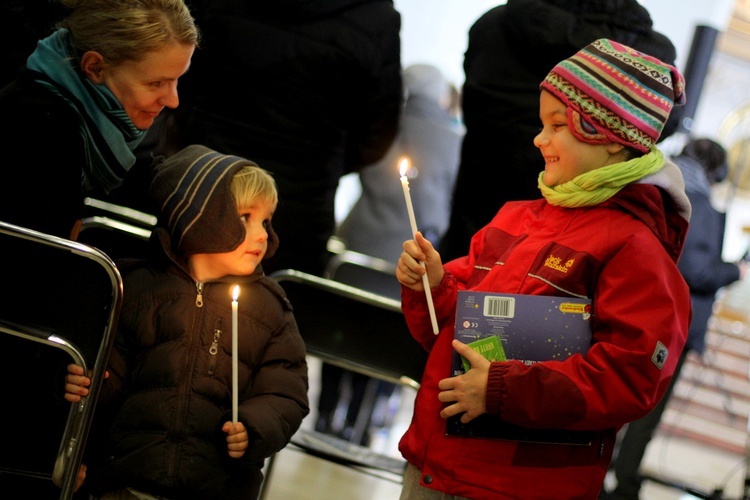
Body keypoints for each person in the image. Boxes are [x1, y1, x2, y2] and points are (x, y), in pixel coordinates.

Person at [395, 39, 692, 498]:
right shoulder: (515, 218)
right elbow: (451, 333)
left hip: (519, 485)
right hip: (436, 465)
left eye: (558, 125)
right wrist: (432, 286)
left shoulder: (636, 249)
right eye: (541, 124)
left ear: (610, 139)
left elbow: (629, 377)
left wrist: (502, 389)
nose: (539, 138)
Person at [64, 145, 310, 499]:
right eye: (244, 218)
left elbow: (286, 391)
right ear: (199, 218)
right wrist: (81, 381)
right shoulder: (135, 289)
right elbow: (103, 375)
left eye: (266, 222)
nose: (261, 235)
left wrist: (255, 425)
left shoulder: (270, 308)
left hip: (216, 486)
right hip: (122, 482)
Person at [439, 0, 685, 262]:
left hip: (482, 210)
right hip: (581, 241)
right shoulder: (651, 55)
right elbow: (663, 126)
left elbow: (474, 105)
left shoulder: (497, 24)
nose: (540, 140)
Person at [170, 0, 403, 276]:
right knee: (276, 307)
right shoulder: (373, 16)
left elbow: (179, 81)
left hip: (205, 182)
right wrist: (325, 165)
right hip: (300, 209)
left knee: (171, 298)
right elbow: (376, 134)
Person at [320, 63, 463, 444]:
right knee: (389, 342)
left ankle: (324, 414)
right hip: (410, 262)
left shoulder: (382, 125)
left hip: (355, 250)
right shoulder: (453, 142)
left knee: (339, 334)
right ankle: (363, 425)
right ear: (440, 95)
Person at [604, 138, 747, 500]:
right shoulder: (694, 201)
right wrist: (735, 269)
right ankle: (624, 483)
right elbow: (696, 270)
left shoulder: (654, 183)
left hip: (628, 311)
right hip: (669, 326)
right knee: (644, 415)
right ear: (716, 170)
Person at [0, 0, 198, 239]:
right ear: (94, 67)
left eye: (177, 80)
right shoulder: (40, 131)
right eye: (155, 83)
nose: (173, 100)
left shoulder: (87, 123)